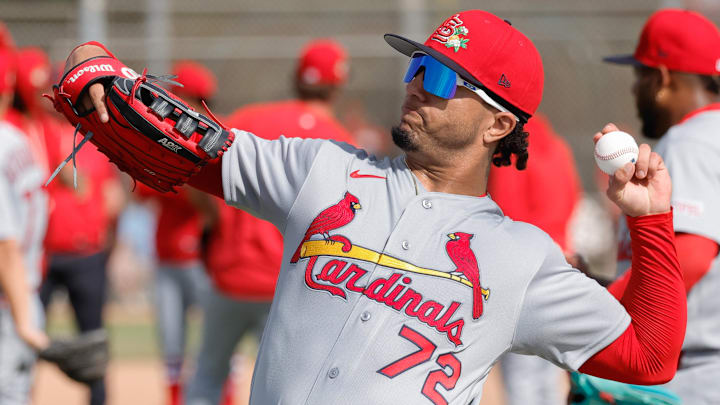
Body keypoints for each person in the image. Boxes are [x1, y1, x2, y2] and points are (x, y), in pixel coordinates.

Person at [69, 9, 685, 405]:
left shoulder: (521, 259)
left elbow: (651, 358)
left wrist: (650, 221)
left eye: (442, 79)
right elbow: (190, 145)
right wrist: (93, 66)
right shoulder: (322, 171)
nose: (415, 82)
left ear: (498, 124)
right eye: (417, 65)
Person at [184, 38, 355, 405]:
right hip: (287, 290)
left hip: (229, 275)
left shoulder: (248, 118)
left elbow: (195, 171)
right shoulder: (343, 145)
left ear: (296, 77)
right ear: (338, 85)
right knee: (282, 389)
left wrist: (216, 221)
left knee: (206, 379)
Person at [601, 8, 720, 404]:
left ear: (662, 79)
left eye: (640, 76)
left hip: (696, 370)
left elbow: (691, 254)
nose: (635, 89)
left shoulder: (690, 141)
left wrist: (601, 310)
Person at [40, 54, 126, 404]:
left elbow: (111, 198)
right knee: (22, 339)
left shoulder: (92, 136)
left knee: (93, 344)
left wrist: (110, 248)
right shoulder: (35, 133)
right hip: (43, 254)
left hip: (86, 253)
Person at [134, 60, 216, 405]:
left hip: (202, 257)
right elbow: (141, 190)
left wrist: (171, 176)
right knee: (171, 344)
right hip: (168, 256)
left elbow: (208, 201)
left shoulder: (214, 138)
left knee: (216, 342)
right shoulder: (159, 133)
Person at [488, 113, 581, 405]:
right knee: (547, 372)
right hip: (561, 260)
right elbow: (572, 199)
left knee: (523, 375)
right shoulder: (558, 146)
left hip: (524, 267)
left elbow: (506, 213)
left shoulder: (512, 148)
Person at [0, 25, 50, 404]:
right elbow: (6, 247)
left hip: (13, 297)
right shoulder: (13, 140)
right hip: (13, 301)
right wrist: (25, 324)